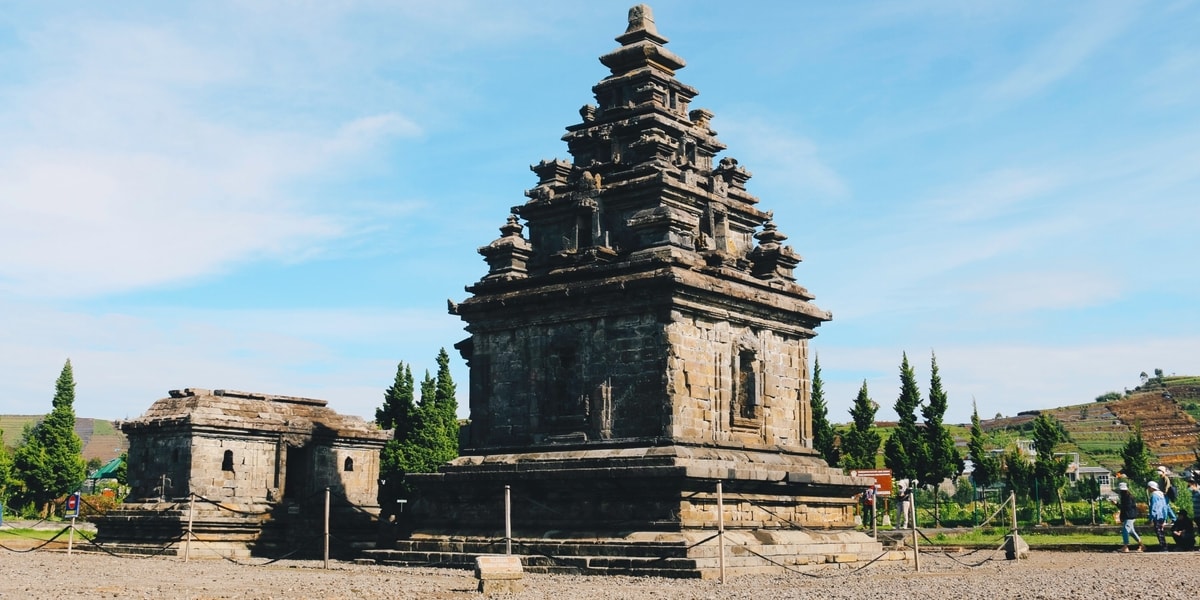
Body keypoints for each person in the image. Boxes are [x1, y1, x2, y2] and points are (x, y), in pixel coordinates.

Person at [1117, 481, 1143, 552]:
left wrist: (1117, 504)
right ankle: (1142, 545)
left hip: (1129, 516)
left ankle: (1125, 546)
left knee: (1125, 530)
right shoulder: (1127, 497)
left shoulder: (1127, 497)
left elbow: (1126, 507)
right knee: (1132, 532)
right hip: (1130, 515)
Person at [1148, 480, 1174, 551]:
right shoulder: (1162, 495)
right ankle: (1164, 546)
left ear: (1151, 487)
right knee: (1161, 532)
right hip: (1162, 516)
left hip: (1157, 516)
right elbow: (1165, 506)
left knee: (1159, 532)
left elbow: (1154, 507)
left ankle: (1163, 547)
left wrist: (1151, 518)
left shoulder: (1154, 495)